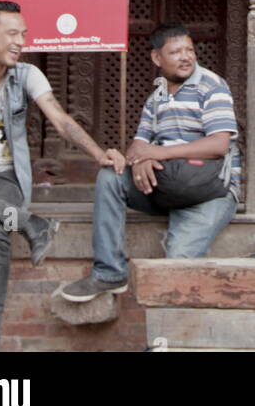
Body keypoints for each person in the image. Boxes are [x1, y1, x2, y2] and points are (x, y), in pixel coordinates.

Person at [0, 0, 125, 352]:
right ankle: (31, 224)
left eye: (24, 35)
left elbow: (60, 120)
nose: (20, 41)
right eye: (12, 33)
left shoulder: (28, 75)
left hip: (4, 180)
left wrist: (97, 154)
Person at [60, 24, 241, 301]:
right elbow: (139, 144)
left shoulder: (211, 86)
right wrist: (140, 158)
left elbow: (218, 145)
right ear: (157, 58)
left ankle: (169, 344)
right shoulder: (156, 97)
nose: (186, 57)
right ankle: (109, 273)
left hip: (209, 193)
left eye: (189, 50)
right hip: (168, 185)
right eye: (176, 51)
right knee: (110, 177)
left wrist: (157, 154)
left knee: (176, 266)